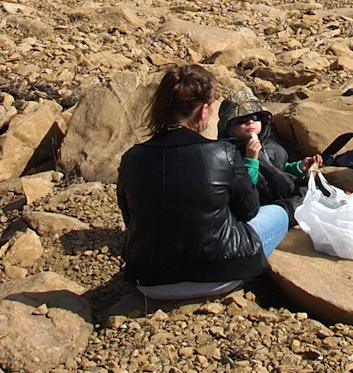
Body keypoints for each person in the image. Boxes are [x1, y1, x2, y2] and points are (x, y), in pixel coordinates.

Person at [115, 64, 288, 296]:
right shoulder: (222, 152)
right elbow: (249, 210)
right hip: (220, 274)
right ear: (203, 111)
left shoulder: (132, 158)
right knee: (280, 213)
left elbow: (130, 218)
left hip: (148, 282)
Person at [217, 90, 321, 211]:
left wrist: (298, 167)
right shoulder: (228, 154)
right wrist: (251, 160)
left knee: (310, 191)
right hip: (257, 207)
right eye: (242, 120)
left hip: (279, 198)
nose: (250, 122)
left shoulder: (270, 146)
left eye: (255, 117)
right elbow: (244, 190)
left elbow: (278, 169)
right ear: (229, 127)